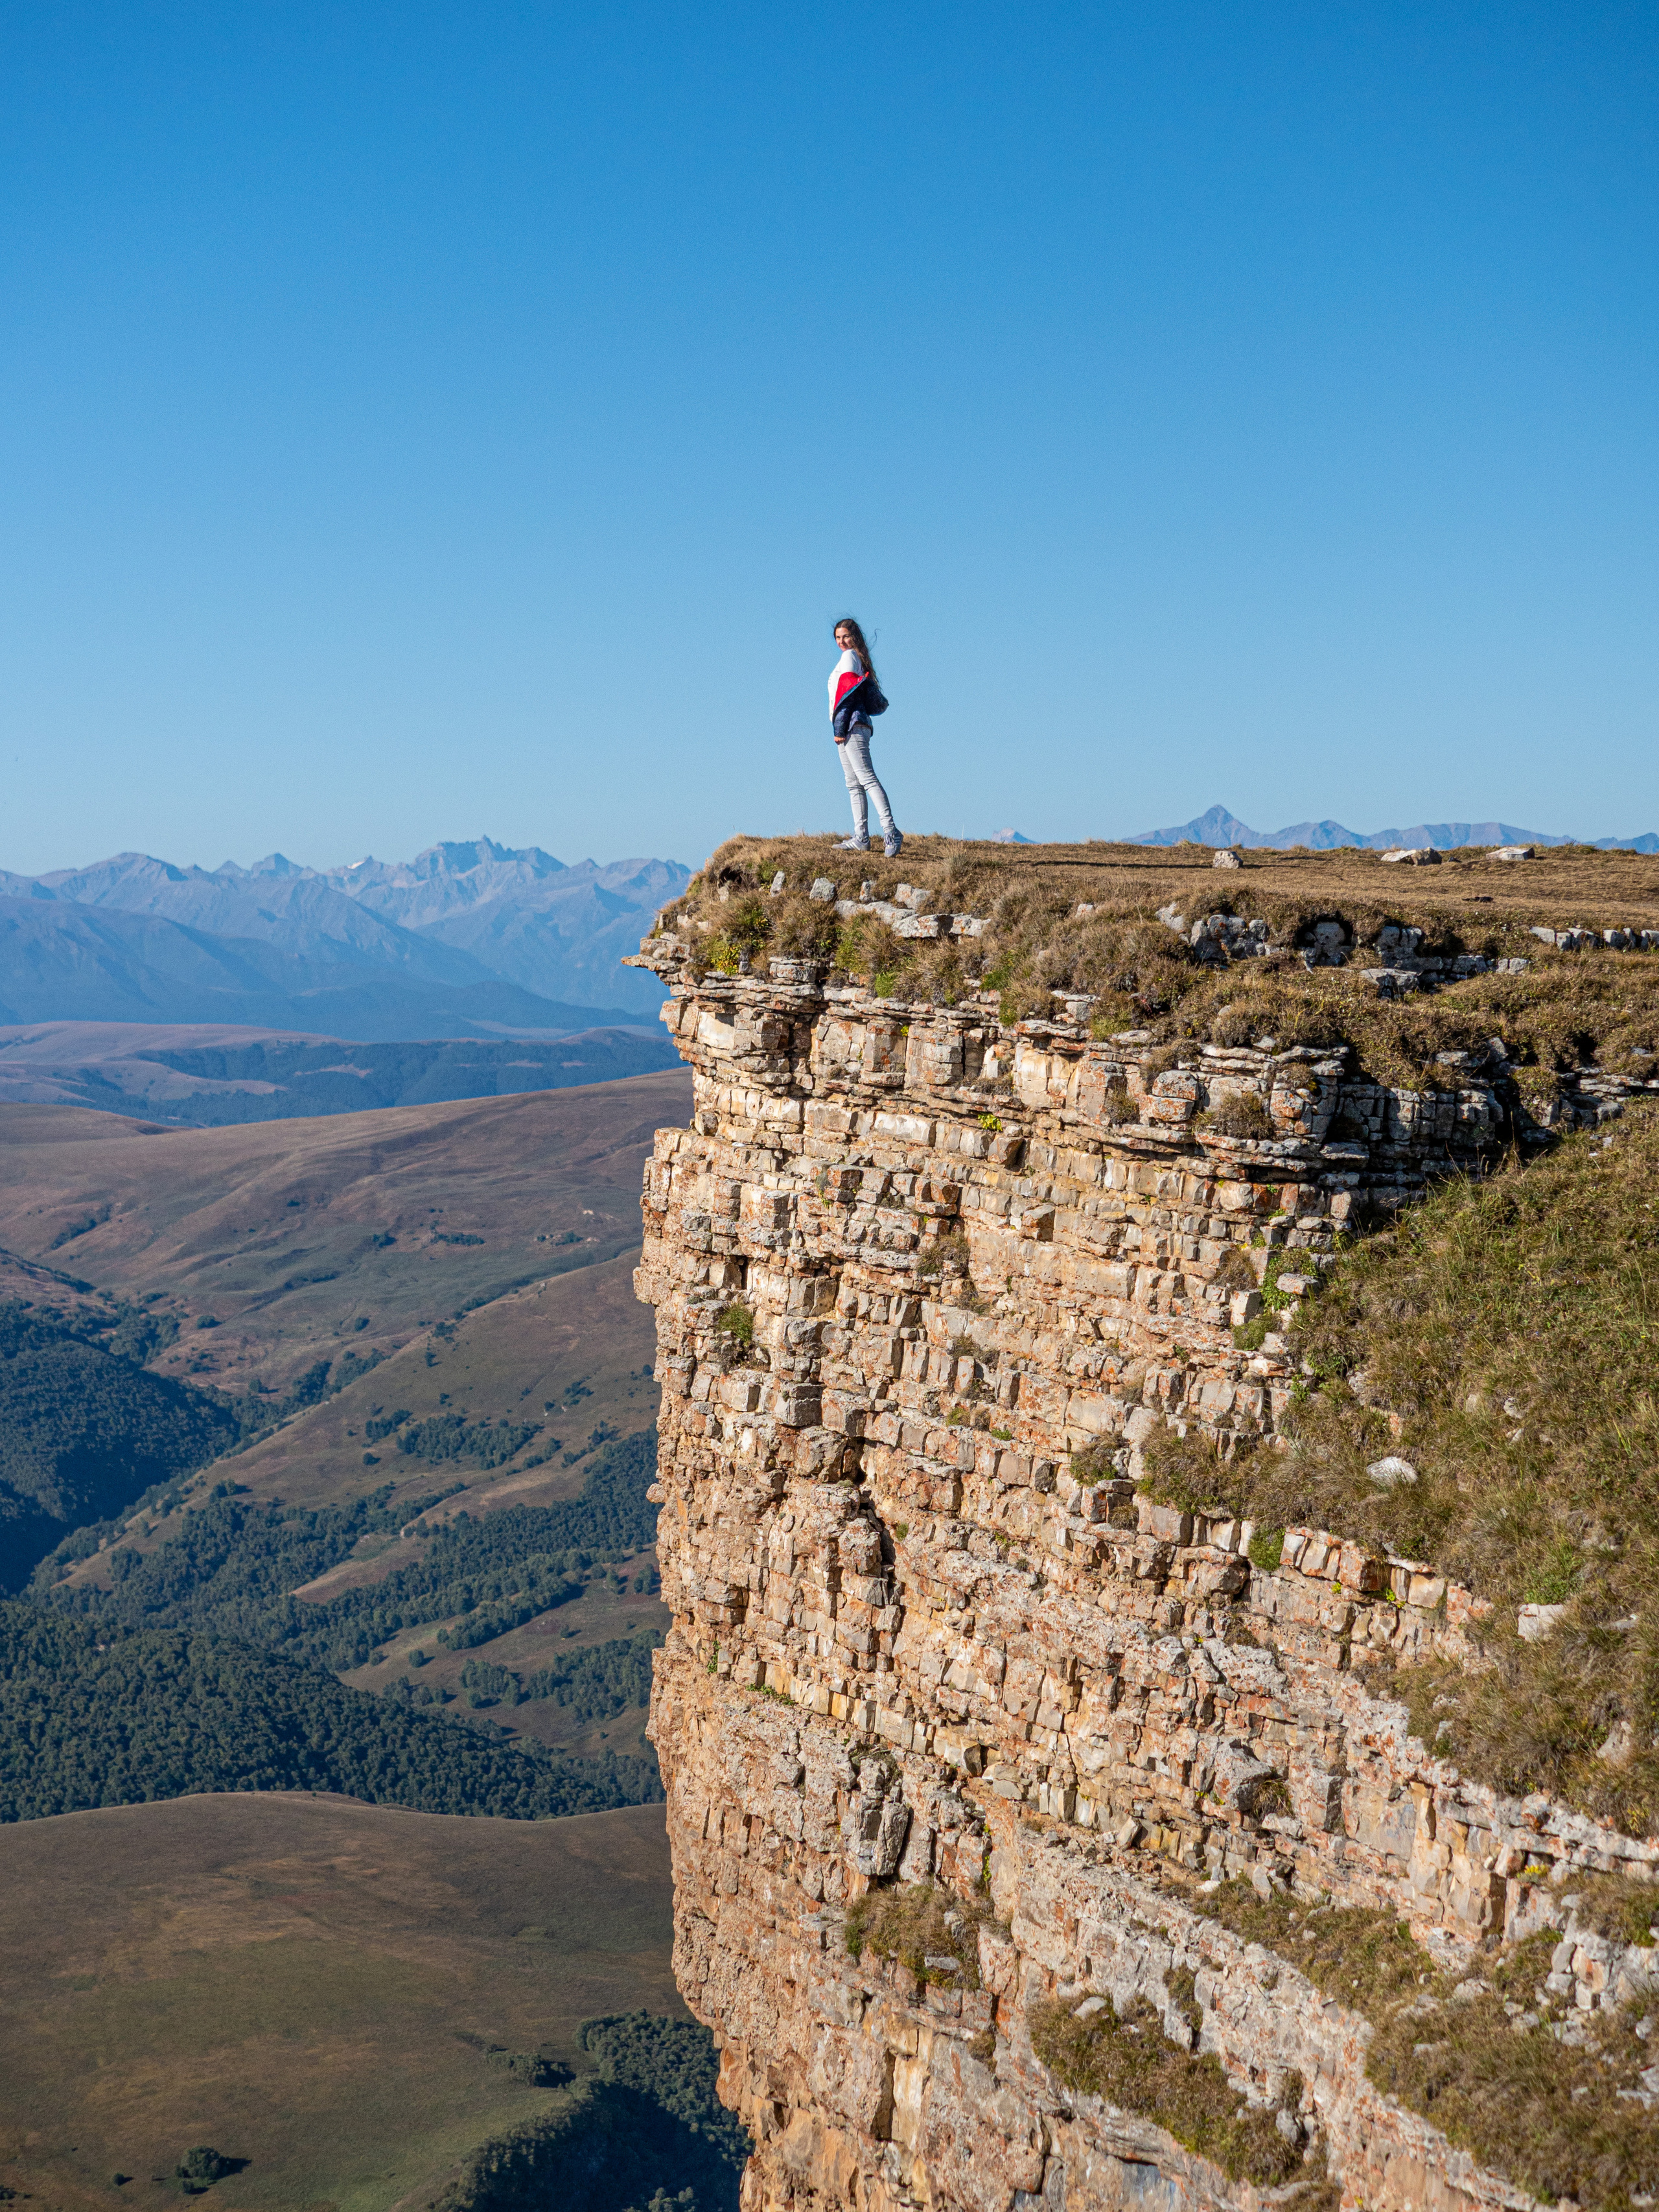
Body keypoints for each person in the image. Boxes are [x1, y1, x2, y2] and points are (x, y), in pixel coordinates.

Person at [829, 616, 901, 857]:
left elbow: (847, 695)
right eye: (838, 637)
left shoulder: (849, 657)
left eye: (846, 636)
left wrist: (839, 730)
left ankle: (891, 831)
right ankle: (861, 837)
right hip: (853, 726)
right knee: (854, 784)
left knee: (866, 779)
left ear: (855, 637)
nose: (842, 641)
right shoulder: (856, 657)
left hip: (851, 727)